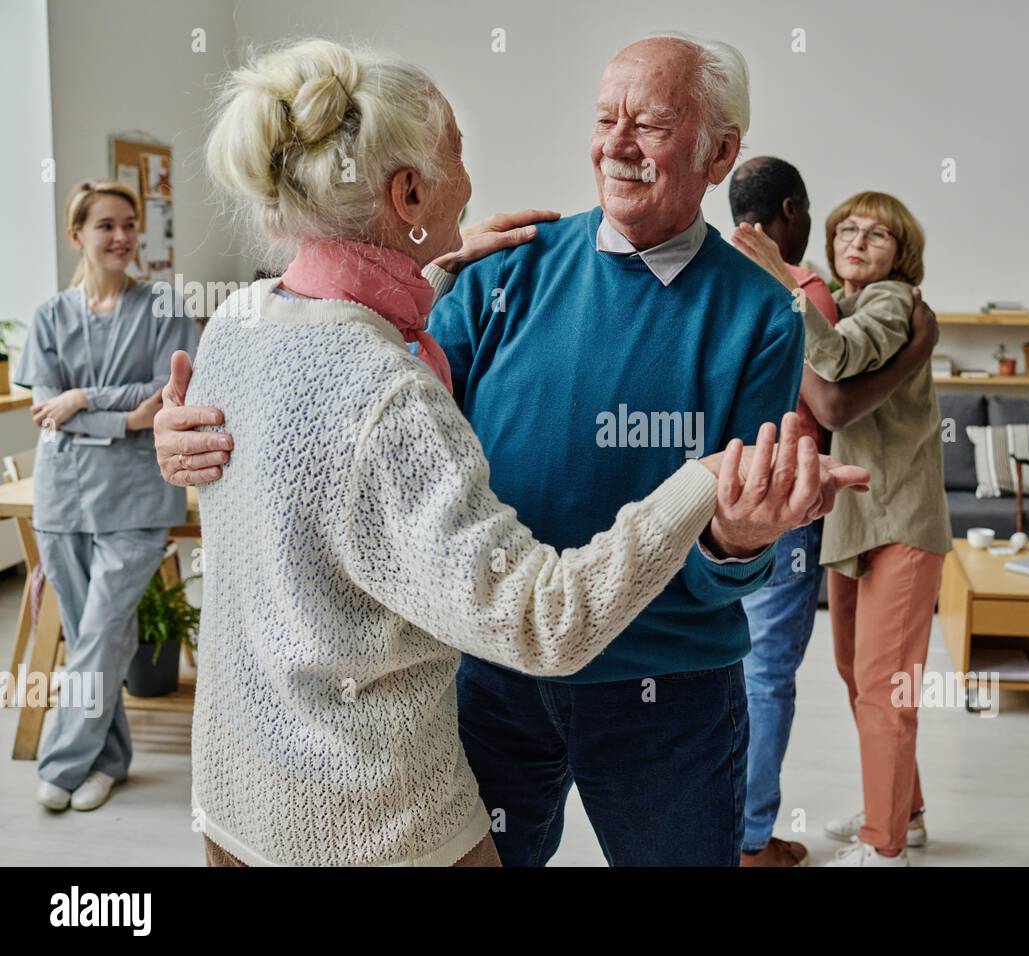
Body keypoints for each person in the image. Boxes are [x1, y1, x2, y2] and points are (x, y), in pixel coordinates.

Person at [158, 33, 918, 869]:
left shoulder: (762, 316)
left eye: (651, 126)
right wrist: (198, 432)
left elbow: (727, 561)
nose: (616, 144)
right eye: (605, 118)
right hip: (489, 681)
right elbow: (371, 440)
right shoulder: (500, 271)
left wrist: (736, 538)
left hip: (665, 694)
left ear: (720, 152)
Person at [727, 157, 937, 867]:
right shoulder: (843, 298)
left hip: (898, 517)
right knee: (859, 673)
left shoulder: (888, 302)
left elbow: (839, 375)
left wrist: (788, 283)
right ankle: (901, 811)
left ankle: (886, 848)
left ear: (900, 252)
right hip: (857, 522)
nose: (855, 240)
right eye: (847, 227)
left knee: (883, 682)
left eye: (876, 235)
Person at [17, 180, 199, 813]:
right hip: (63, 494)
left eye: (129, 225)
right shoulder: (49, 317)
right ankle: (109, 761)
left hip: (138, 497)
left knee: (99, 632)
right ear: (79, 236)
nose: (122, 237)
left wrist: (87, 398)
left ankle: (61, 767)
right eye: (106, 226)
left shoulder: (162, 307)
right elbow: (49, 411)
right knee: (93, 632)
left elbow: (166, 395)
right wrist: (125, 418)